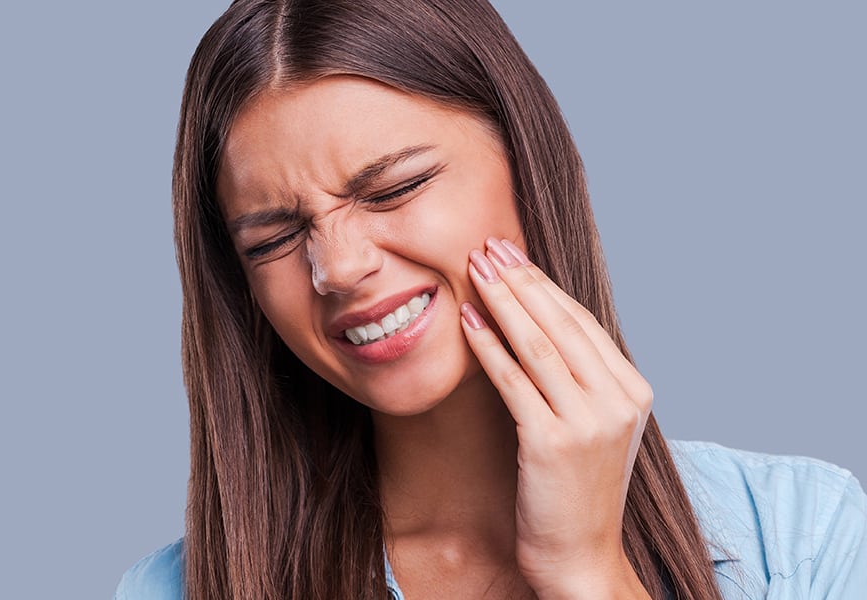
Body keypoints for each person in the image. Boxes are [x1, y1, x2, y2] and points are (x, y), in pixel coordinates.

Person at [115, 0, 867, 598]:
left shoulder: (797, 538)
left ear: (526, 163)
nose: (336, 268)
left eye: (395, 188)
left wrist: (587, 573)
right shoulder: (171, 591)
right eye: (274, 238)